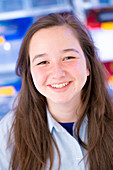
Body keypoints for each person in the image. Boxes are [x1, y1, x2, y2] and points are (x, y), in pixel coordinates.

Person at [0, 13, 113, 170]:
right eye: (43, 62)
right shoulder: (7, 134)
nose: (58, 73)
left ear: (88, 65)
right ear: (30, 73)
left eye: (68, 58)